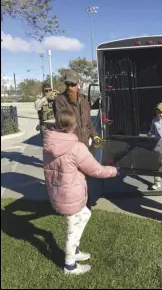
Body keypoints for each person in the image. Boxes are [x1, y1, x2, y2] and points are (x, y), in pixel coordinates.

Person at [43, 109, 118, 275]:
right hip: (70, 196)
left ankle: (75, 252)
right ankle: (69, 266)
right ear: (72, 126)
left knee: (85, 214)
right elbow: (96, 170)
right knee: (72, 228)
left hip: (57, 193)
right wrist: (115, 171)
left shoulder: (49, 144)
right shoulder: (76, 147)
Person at [53, 69, 102, 148]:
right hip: (70, 146)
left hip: (84, 144)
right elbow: (62, 126)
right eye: (67, 84)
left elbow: (88, 122)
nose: (69, 87)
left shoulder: (84, 99)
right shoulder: (60, 100)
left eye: (72, 84)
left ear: (78, 84)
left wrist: (94, 135)